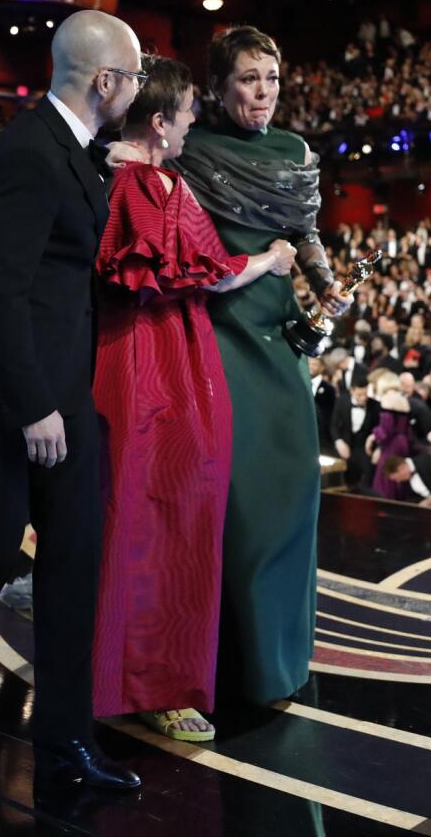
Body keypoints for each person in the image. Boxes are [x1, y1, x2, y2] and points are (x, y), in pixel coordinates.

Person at [0, 10, 144, 791]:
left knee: (75, 556)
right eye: (135, 76)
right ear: (104, 81)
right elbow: (1, 294)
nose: (140, 90)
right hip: (7, 392)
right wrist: (32, 407)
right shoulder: (27, 154)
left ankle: (64, 742)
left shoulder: (71, 151)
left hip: (60, 387)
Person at [90, 55, 298, 743]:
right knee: (165, 519)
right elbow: (202, 274)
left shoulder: (136, 175)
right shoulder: (151, 185)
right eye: (184, 116)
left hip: (147, 356)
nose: (192, 126)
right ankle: (157, 683)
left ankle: (144, 676)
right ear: (161, 122)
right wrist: (268, 261)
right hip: (159, 364)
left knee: (148, 516)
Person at [169, 25, 350, 705]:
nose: (263, 92)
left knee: (292, 492)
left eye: (271, 78)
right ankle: (231, 668)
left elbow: (304, 229)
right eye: (248, 78)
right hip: (217, 329)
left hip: (280, 336)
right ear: (218, 87)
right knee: (236, 502)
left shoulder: (294, 149)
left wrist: (323, 280)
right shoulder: (192, 151)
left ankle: (281, 662)